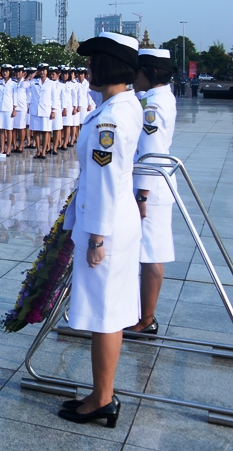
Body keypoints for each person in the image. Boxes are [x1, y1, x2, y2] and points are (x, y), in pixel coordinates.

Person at [58, 31, 142, 427]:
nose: (87, 67)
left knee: (105, 314)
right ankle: (99, 391)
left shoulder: (111, 117)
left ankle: (103, 400)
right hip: (113, 223)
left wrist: (96, 239)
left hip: (105, 228)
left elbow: (105, 182)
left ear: (108, 65)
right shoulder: (119, 105)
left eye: (93, 62)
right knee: (107, 310)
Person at [124, 48, 177, 337]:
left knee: (150, 253)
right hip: (152, 186)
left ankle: (146, 319)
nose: (134, 77)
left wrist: (141, 195)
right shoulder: (156, 98)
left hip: (151, 188)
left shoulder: (153, 106)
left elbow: (152, 153)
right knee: (148, 253)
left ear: (150, 73)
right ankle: (144, 314)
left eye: (138, 72)